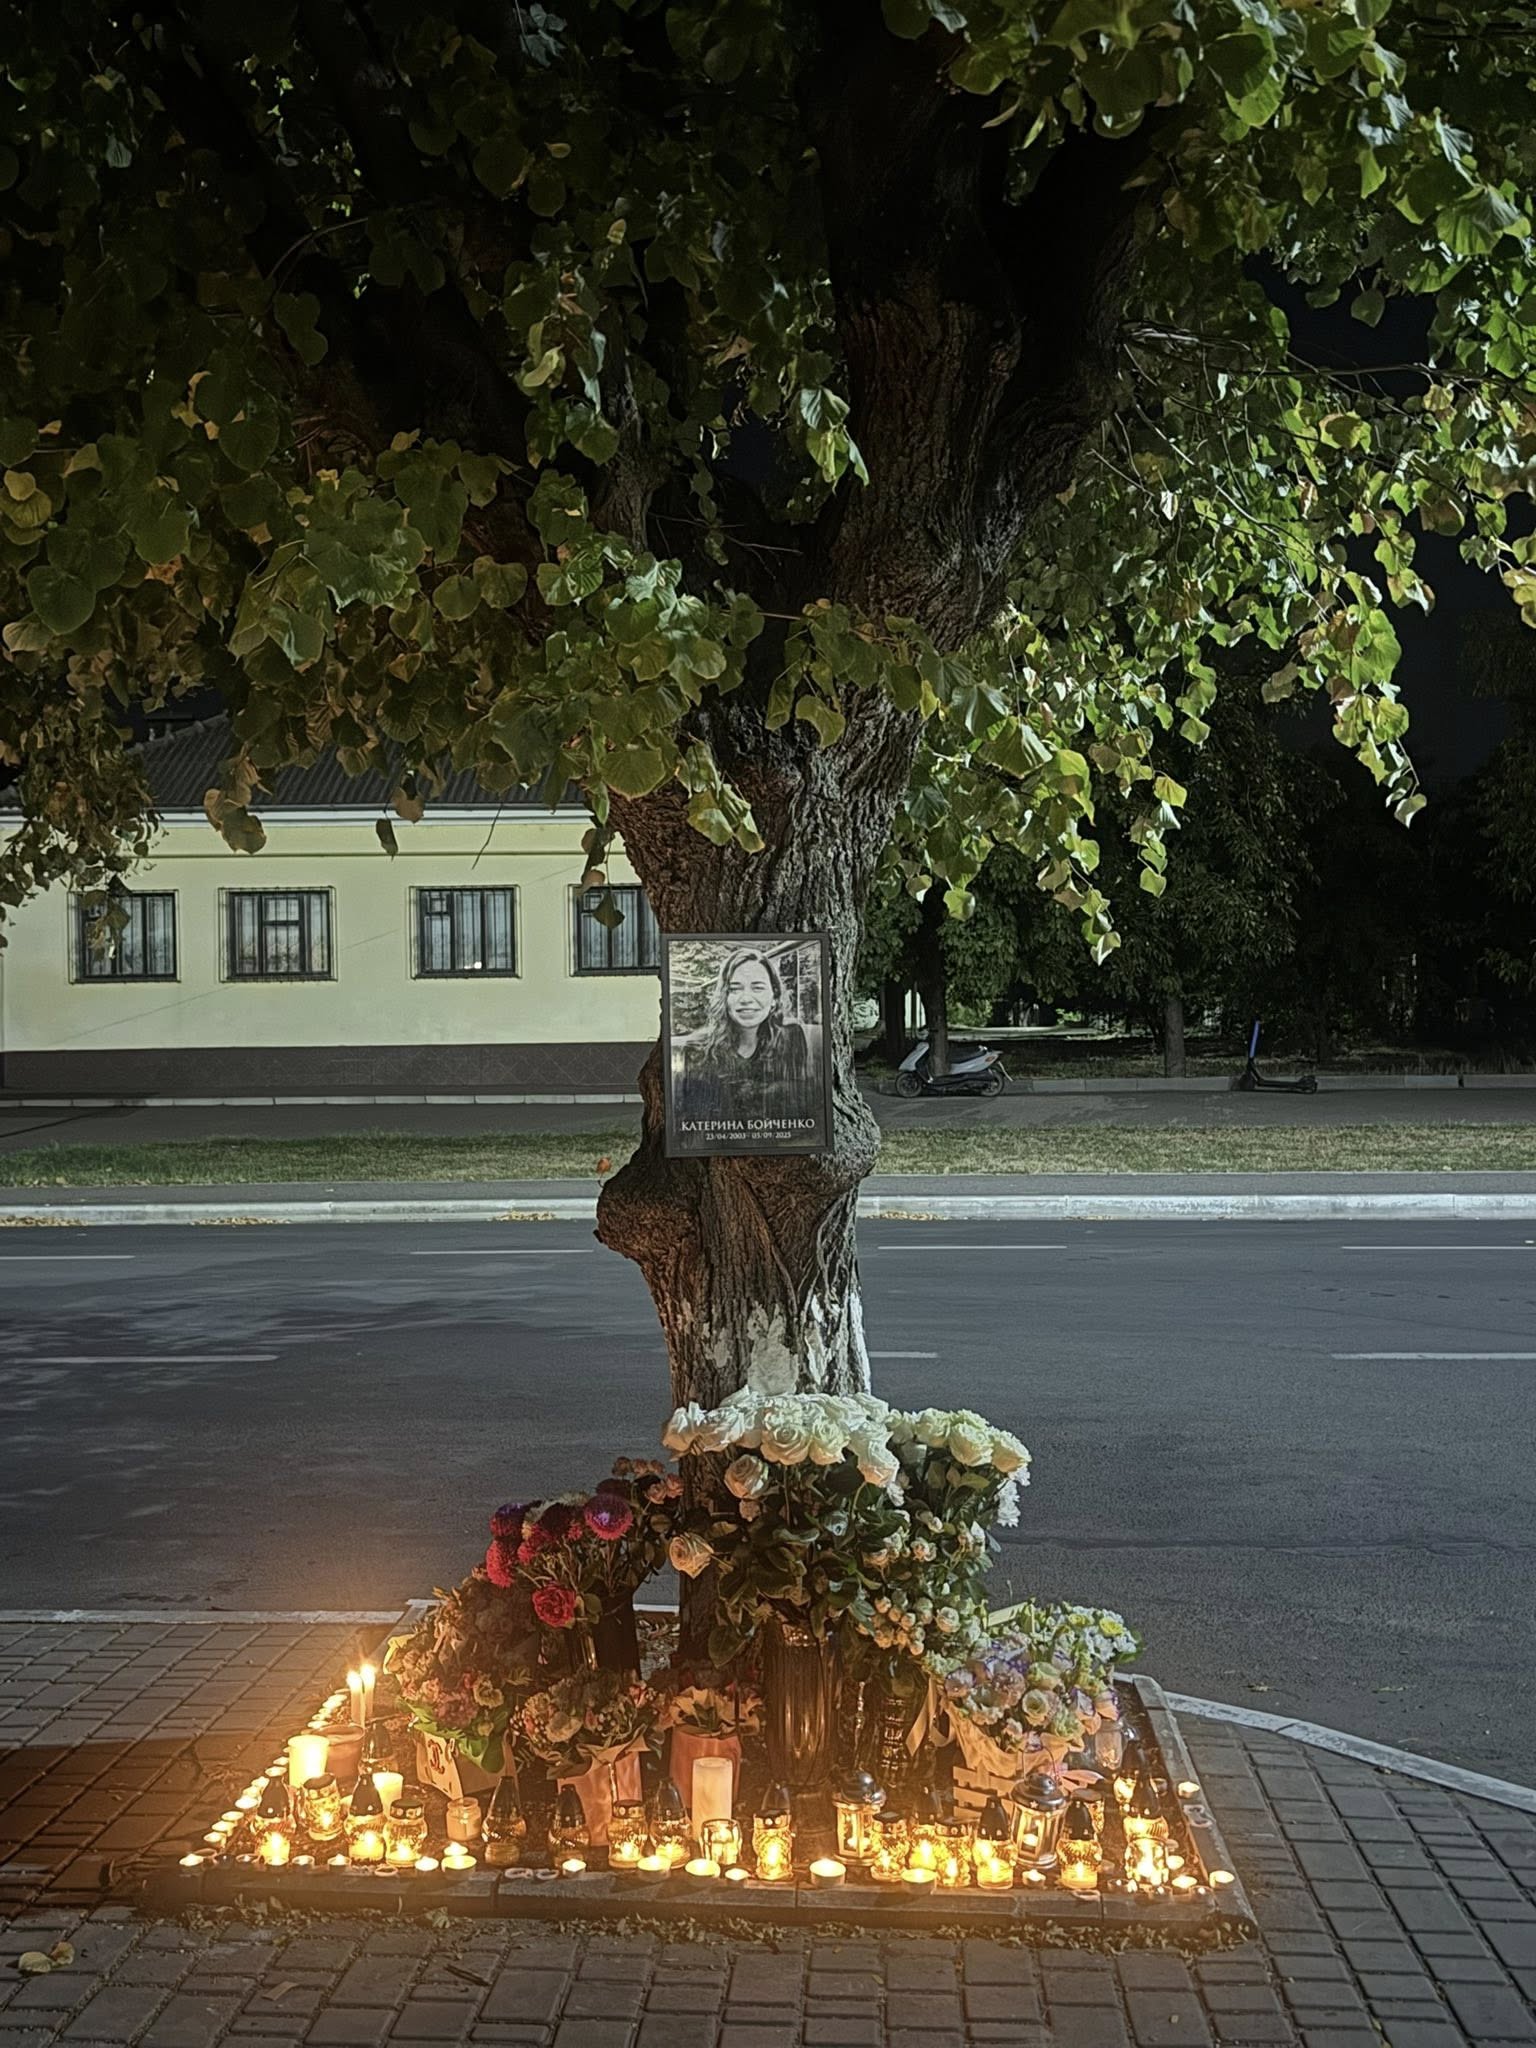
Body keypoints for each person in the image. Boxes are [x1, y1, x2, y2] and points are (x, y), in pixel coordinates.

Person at [674, 946, 819, 1133]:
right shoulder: (698, 1049)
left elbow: (799, 1109)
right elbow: (697, 1124)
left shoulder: (791, 1036)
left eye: (758, 988)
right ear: (725, 998)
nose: (746, 999)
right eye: (735, 989)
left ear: (774, 997)